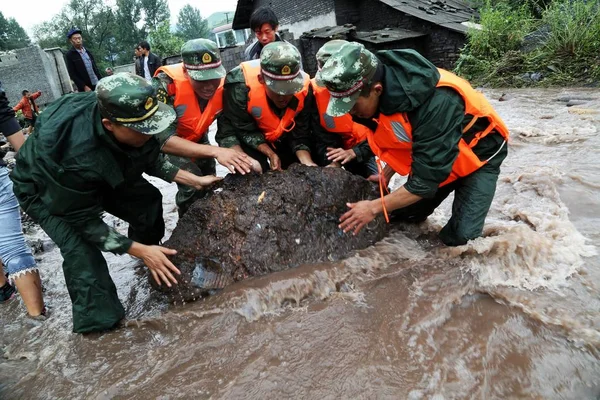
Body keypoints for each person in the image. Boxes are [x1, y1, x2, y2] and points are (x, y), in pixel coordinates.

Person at [11, 73, 222, 333]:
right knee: (82, 254)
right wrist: (137, 249)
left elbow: (148, 154)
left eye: (151, 124)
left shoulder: (128, 113)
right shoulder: (73, 154)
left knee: (147, 201)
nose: (150, 131)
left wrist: (193, 179)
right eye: (142, 128)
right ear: (109, 125)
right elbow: (84, 222)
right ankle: (100, 333)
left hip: (100, 174)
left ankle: (148, 259)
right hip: (47, 189)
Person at [320, 43, 509, 246]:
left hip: (479, 156)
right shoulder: (382, 93)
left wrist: (373, 207)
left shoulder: (436, 103)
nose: (350, 113)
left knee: (460, 239)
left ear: (377, 89)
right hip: (439, 156)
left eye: (353, 105)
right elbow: (403, 138)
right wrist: (386, 174)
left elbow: (423, 184)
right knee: (404, 216)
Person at [153, 38, 255, 216]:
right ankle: (187, 226)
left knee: (209, 182)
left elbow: (227, 130)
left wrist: (240, 156)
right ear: (186, 71)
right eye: (201, 80)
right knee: (193, 185)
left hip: (198, 136)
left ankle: (208, 222)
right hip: (171, 142)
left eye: (214, 78)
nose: (209, 86)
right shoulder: (164, 85)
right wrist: (216, 152)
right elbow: (163, 140)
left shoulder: (225, 87)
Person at [216, 42, 317, 172]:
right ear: (261, 79)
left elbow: (300, 132)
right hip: (248, 128)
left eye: (288, 89)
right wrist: (270, 153)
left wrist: (307, 162)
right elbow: (243, 128)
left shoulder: (304, 89)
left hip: (281, 131)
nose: (283, 96)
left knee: (296, 168)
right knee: (255, 168)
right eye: (277, 89)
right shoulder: (239, 87)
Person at [0, 81, 46, 319]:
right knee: (13, 246)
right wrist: (33, 163)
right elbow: (4, 113)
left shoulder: (29, 100)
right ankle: (38, 318)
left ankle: (4, 292)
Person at [310, 40, 378, 180]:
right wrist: (333, 161)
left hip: (368, 145)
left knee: (377, 183)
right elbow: (322, 134)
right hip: (340, 146)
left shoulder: (370, 89)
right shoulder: (315, 92)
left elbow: (385, 133)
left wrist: (356, 152)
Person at [65, 28, 102, 92]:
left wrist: (101, 80)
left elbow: (95, 68)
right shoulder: (70, 55)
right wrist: (83, 86)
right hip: (86, 88)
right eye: (75, 39)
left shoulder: (88, 52)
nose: (78, 40)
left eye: (79, 38)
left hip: (97, 83)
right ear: (71, 41)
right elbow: (72, 74)